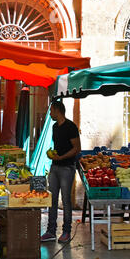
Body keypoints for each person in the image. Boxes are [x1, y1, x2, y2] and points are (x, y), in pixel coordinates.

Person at [41, 101, 81, 244]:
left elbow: (77, 148)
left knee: (65, 200)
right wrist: (52, 155)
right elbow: (59, 146)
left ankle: (66, 231)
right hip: (55, 167)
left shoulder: (71, 127)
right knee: (51, 199)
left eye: (51, 110)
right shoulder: (54, 127)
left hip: (67, 168)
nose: (50, 113)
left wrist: (62, 157)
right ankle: (51, 231)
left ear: (58, 110)